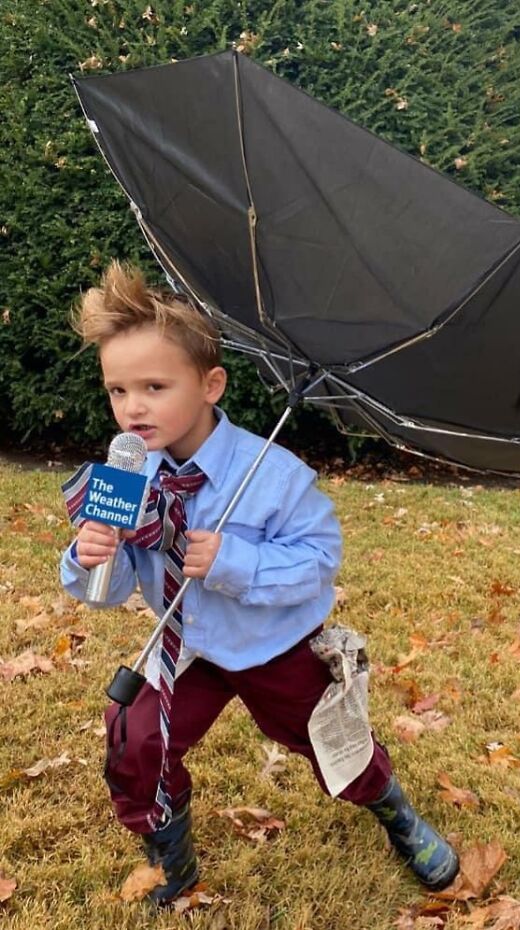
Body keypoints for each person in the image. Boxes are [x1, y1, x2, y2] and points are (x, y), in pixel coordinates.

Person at [59, 261, 459, 906]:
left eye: (155, 386)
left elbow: (318, 564)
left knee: (330, 742)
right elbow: (104, 592)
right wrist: (89, 555)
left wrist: (231, 561)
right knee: (135, 737)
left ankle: (390, 807)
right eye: (117, 391)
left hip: (274, 645)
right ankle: (171, 852)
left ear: (210, 383)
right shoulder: (127, 473)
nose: (133, 408)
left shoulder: (274, 475)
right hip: (186, 643)